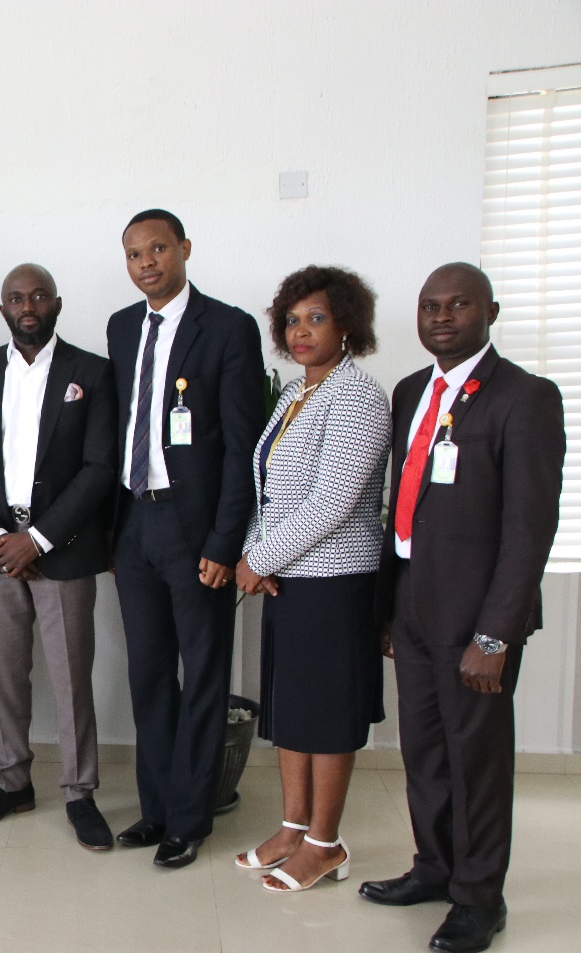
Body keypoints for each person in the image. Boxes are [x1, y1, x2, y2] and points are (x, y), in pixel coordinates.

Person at [359, 264, 564, 953]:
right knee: (424, 751)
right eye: (429, 306)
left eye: (458, 304)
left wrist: (496, 634)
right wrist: (390, 608)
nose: (441, 316)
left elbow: (530, 528)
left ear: (491, 311)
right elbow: (406, 504)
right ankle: (435, 866)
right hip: (414, 602)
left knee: (476, 757)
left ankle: (480, 898)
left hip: (476, 616)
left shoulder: (526, 397)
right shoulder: (413, 390)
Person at [106, 209, 265, 869]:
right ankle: (157, 807)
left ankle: (191, 818)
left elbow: (241, 445)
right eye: (135, 254)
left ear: (184, 250)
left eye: (159, 249)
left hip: (195, 529)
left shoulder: (227, 327)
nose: (148, 263)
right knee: (147, 674)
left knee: (201, 674)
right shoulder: (121, 327)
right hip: (136, 522)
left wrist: (225, 541)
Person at [231, 266, 390, 891]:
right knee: (292, 712)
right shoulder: (300, 393)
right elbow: (267, 491)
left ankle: (326, 843)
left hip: (335, 582)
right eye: (293, 320)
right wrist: (259, 552)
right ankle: (293, 828)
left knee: (326, 716)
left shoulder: (357, 395)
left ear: (347, 325)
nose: (301, 331)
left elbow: (334, 501)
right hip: (290, 580)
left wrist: (259, 560)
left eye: (316, 318)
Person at [0, 264, 118, 849]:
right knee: (4, 675)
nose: (28, 306)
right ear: (2, 308)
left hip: (63, 549)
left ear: (57, 303)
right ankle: (11, 782)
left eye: (39, 295)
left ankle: (79, 792)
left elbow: (100, 467)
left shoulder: (92, 373)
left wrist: (39, 538)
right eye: (17, 298)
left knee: (71, 676)